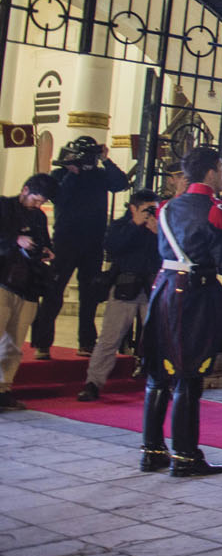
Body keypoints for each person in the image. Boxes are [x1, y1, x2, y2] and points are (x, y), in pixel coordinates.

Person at [141, 145, 222, 477]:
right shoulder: (218, 211)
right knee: (189, 376)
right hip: (194, 297)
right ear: (212, 171)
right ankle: (186, 456)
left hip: (164, 289)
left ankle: (152, 450)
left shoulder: (167, 208)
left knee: (158, 375)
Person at [34, 135, 128, 358]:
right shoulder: (60, 175)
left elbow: (121, 183)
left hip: (93, 242)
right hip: (65, 241)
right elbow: (59, 198)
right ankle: (43, 343)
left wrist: (106, 160)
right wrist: (71, 172)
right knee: (53, 292)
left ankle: (86, 342)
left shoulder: (99, 175)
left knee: (90, 294)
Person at [77, 190, 161, 402]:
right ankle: (93, 383)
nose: (151, 213)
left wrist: (159, 233)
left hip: (152, 288)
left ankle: (159, 381)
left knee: (157, 339)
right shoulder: (120, 226)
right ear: (133, 208)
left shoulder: (160, 227)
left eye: (154, 209)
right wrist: (134, 224)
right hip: (126, 287)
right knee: (109, 339)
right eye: (147, 209)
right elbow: (112, 247)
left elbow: (170, 252)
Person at [0, 174, 57, 412]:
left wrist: (46, 251)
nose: (37, 205)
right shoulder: (4, 207)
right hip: (3, 280)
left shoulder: (39, 216)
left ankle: (4, 390)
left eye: (41, 201)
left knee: (14, 342)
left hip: (29, 286)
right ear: (25, 190)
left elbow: (45, 242)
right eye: (35, 199)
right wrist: (16, 240)